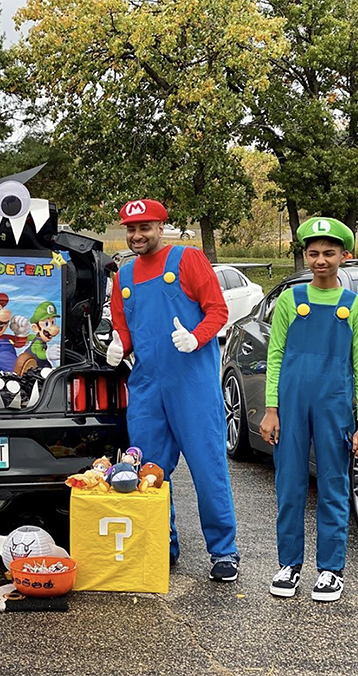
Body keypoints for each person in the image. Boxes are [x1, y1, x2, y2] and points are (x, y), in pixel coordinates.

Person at [107, 199, 240, 582]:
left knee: (207, 466)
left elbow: (217, 309)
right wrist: (120, 345)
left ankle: (224, 551)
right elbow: (124, 329)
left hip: (191, 384)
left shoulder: (187, 259)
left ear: (160, 228)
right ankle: (162, 542)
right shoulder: (124, 276)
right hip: (147, 385)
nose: (136, 236)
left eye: (144, 228)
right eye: (130, 229)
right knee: (148, 471)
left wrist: (197, 338)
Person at [260, 217, 358, 602]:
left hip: (335, 405)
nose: (320, 260)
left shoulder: (353, 306)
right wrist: (270, 408)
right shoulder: (292, 300)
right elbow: (274, 357)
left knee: (333, 486)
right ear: (305, 256)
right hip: (291, 405)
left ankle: (330, 570)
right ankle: (289, 565)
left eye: (329, 253)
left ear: (345, 255)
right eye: (313, 253)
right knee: (289, 484)